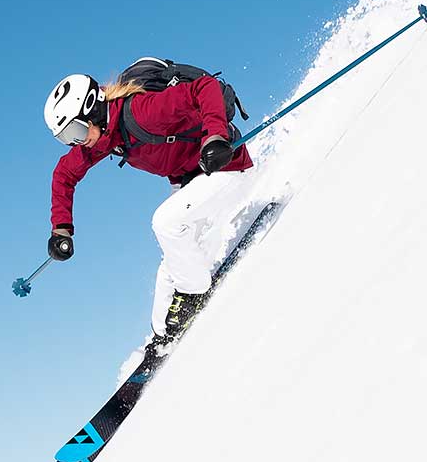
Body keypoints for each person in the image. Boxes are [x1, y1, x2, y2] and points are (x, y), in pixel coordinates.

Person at [42, 69, 262, 342]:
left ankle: (194, 292)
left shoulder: (141, 111)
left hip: (226, 167)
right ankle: (161, 336)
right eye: (66, 138)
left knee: (165, 223)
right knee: (173, 262)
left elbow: (204, 87)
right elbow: (64, 174)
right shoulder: (103, 138)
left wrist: (215, 137)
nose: (77, 142)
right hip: (190, 182)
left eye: (76, 131)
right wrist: (61, 229)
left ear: (92, 109)